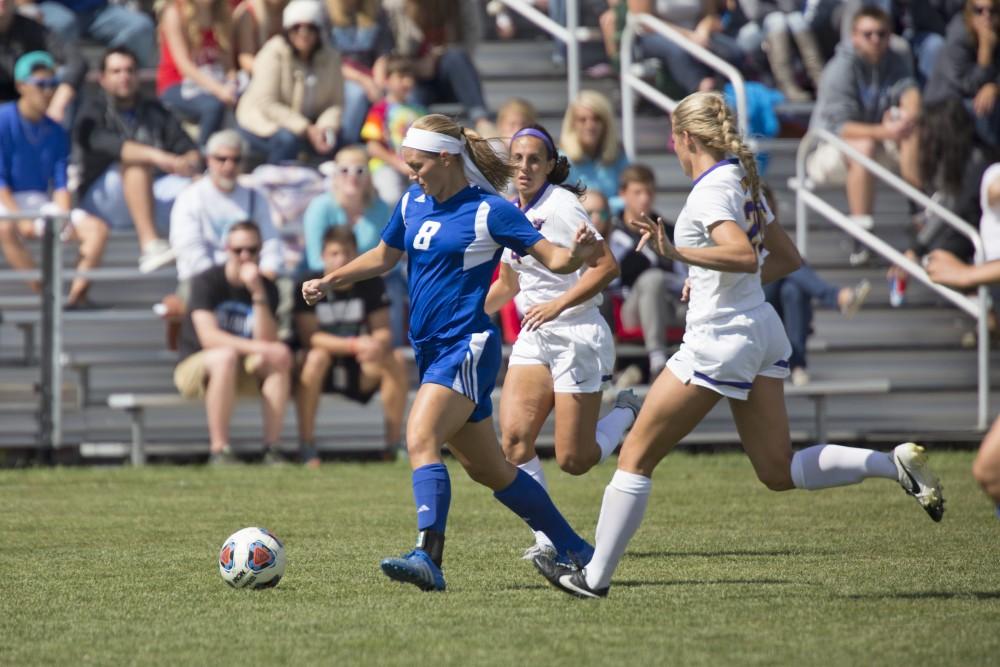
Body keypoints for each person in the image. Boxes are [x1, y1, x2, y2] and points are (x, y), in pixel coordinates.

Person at [532, 91, 945, 599]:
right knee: (777, 469)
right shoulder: (743, 181)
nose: (673, 148)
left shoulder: (710, 190)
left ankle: (593, 579)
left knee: (634, 455)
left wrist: (676, 252)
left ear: (687, 138)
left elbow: (742, 256)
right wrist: (703, 278)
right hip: (760, 328)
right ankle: (891, 463)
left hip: (721, 337)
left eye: (673, 138)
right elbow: (785, 258)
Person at [301, 113, 601, 592]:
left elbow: (556, 258)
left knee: (419, 437)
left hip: (467, 345)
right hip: (431, 351)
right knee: (491, 470)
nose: (411, 173)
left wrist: (579, 255)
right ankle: (576, 548)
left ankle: (429, 555)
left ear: (446, 157)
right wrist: (329, 280)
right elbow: (384, 256)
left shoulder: (490, 211)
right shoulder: (412, 201)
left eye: (417, 164)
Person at [483, 124, 640, 561]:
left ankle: (626, 412)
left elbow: (607, 267)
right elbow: (510, 283)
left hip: (577, 333)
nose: (524, 167)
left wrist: (558, 305)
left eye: (535, 159)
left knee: (575, 459)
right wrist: (469, 313)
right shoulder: (510, 210)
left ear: (550, 166)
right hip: (536, 337)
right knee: (514, 441)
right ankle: (547, 540)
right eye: (517, 158)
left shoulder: (563, 207)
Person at [807, 6, 923, 266]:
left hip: (875, 142)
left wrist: (907, 117)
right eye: (868, 34)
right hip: (824, 151)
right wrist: (886, 131)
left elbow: (910, 91)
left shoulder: (895, 59)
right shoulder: (839, 68)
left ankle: (919, 214)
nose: (875, 40)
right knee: (863, 144)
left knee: (910, 130)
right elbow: (841, 127)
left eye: (881, 34)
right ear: (854, 36)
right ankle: (861, 231)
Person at [74, 47, 201, 274]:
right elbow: (107, 145)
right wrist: (159, 157)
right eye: (116, 71)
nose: (124, 76)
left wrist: (187, 163)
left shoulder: (154, 109)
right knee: (136, 165)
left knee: (201, 186)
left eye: (129, 70)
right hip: (104, 200)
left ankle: (200, 264)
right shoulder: (92, 111)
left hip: (152, 192)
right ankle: (150, 246)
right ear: (102, 78)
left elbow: (188, 149)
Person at [175, 221, 292, 464]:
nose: (245, 256)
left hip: (240, 369)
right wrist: (263, 348)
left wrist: (257, 292)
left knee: (276, 361)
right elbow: (209, 338)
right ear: (227, 249)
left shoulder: (266, 287)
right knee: (224, 356)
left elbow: (267, 340)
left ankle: (272, 448)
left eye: (252, 249)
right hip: (196, 367)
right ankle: (220, 450)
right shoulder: (206, 281)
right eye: (238, 250)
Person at [0, 52, 108, 309]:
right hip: (6, 198)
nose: (47, 92)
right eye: (40, 85)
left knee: (96, 230)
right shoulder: (3, 119)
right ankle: (48, 295)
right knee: (5, 228)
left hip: (37, 200)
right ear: (21, 86)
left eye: (52, 85)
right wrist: (21, 219)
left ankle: (73, 297)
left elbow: (61, 181)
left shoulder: (57, 130)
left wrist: (64, 216)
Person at [294, 226, 408, 466]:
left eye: (347, 253)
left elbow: (383, 332)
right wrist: (355, 344)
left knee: (395, 359)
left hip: (361, 366)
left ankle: (393, 445)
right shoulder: (308, 285)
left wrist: (374, 345)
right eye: (334, 253)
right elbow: (310, 338)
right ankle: (306, 445)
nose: (341, 259)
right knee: (316, 357)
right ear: (322, 255)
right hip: (322, 368)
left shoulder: (370, 284)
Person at [760, 184, 871, 386]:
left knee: (793, 289)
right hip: (757, 301)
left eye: (768, 208)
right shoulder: (740, 235)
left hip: (780, 305)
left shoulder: (776, 237)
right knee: (791, 270)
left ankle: (797, 365)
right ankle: (837, 297)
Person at [302, 145, 408, 348]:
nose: (352, 177)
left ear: (369, 175)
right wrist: (353, 273)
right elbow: (316, 259)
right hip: (330, 279)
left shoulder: (380, 208)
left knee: (394, 285)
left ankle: (391, 351)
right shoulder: (320, 207)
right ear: (335, 174)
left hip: (375, 281)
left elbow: (392, 259)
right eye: (344, 170)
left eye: (359, 170)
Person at [170, 130, 284, 284]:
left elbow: (271, 243)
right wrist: (223, 284)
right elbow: (189, 250)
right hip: (202, 282)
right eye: (222, 159)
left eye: (236, 160)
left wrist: (266, 275)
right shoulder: (190, 198)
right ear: (208, 160)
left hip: (250, 280)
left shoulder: (256, 196)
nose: (229, 165)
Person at [236, 0, 343, 164]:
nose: (303, 33)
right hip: (262, 123)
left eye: (310, 27)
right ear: (288, 30)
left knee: (336, 139)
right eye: (297, 27)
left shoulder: (331, 58)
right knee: (287, 140)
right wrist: (306, 129)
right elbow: (266, 103)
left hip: (309, 124)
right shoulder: (273, 53)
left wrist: (325, 127)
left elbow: (335, 102)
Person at [612, 164, 686, 377]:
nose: (644, 198)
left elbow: (684, 278)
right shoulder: (612, 233)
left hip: (669, 306)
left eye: (649, 192)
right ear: (623, 194)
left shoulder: (669, 231)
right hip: (630, 310)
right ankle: (657, 359)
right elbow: (610, 284)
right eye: (637, 192)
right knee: (652, 279)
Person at [383, 0, 494, 135]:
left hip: (450, 72)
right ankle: (414, 133)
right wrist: (418, 66)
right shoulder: (396, 6)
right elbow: (397, 54)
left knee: (456, 56)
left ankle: (481, 120)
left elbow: (473, 33)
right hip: (415, 76)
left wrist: (438, 57)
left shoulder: (461, 3)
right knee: (411, 90)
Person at [156, 0, 237, 147]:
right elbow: (184, 65)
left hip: (213, 81)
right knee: (213, 106)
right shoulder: (174, 12)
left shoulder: (222, 13)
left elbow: (227, 63)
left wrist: (232, 82)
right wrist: (219, 90)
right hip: (176, 84)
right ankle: (202, 156)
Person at [925, 0, 1000, 150]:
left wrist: (995, 87)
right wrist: (985, 52)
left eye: (992, 10)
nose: (986, 16)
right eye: (979, 10)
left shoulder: (996, 31)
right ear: (970, 11)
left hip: (980, 98)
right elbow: (969, 85)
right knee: (984, 110)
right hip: (948, 103)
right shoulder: (959, 33)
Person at [0, 0, 87, 124]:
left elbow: (76, 60)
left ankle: (61, 138)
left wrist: (60, 100)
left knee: (66, 78)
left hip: (30, 103)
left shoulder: (30, 28)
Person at [325, 0, 396, 145]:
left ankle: (391, 146)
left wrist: (379, 80)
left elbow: (383, 53)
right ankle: (347, 146)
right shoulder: (325, 12)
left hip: (371, 73)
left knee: (397, 90)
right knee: (356, 93)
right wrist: (365, 81)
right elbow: (327, 59)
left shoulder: (377, 12)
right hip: (339, 75)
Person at [360, 55, 426, 205]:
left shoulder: (420, 111)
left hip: (415, 169)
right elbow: (372, 146)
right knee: (391, 197)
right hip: (386, 165)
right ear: (387, 80)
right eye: (401, 76)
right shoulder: (379, 110)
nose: (408, 82)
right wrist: (399, 164)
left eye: (410, 77)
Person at [560, 90, 630, 212]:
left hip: (615, 226)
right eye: (583, 119)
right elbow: (561, 204)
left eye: (596, 119)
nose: (590, 125)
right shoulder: (561, 161)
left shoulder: (619, 156)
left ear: (606, 123)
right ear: (572, 124)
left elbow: (631, 198)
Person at [34, 0, 156, 69]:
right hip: (52, 7)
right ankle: (62, 87)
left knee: (142, 27)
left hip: (98, 9)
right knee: (63, 24)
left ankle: (114, 78)